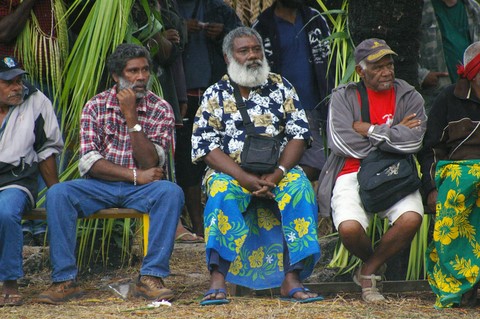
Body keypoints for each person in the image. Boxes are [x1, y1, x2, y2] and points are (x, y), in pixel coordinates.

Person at [34, 44, 184, 304]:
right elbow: (90, 163)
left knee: (171, 192)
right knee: (59, 193)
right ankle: (64, 280)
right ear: (117, 76)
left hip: (143, 190)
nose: (140, 77)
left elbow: (150, 160)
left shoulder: (161, 108)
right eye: (133, 71)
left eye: (145, 70)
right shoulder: (95, 106)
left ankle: (151, 278)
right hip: (100, 187)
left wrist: (131, 117)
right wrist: (135, 176)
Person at [192, 27, 322, 306]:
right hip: (230, 173)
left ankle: (292, 278)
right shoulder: (215, 94)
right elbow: (205, 146)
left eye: (256, 49)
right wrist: (243, 178)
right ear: (228, 57)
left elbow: (300, 135)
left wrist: (278, 174)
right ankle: (217, 279)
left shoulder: (281, 86)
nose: (252, 55)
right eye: (244, 51)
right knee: (221, 192)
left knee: (300, 188)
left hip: (278, 171)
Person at [317, 38, 427, 302]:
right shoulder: (343, 97)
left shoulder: (409, 94)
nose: (387, 71)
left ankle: (367, 272)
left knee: (412, 218)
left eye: (389, 65)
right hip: (350, 171)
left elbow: (414, 140)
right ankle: (374, 262)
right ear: (360, 71)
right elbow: (342, 143)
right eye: (378, 67)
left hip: (394, 172)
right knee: (349, 229)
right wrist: (394, 133)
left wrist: (368, 129)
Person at [418, 41, 480, 308]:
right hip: (458, 172)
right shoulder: (448, 99)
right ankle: (460, 281)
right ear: (474, 75)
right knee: (458, 197)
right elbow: (430, 148)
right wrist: (431, 188)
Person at [0, 0, 67, 246]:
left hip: (47, 78)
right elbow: (4, 32)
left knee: (44, 148)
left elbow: (46, 151)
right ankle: (24, 225)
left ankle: (40, 226)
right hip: (11, 76)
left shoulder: (37, 98)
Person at [176, 0, 242, 238]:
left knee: (223, 154)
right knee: (187, 160)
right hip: (184, 96)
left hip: (219, 94)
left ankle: (227, 223)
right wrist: (181, 28)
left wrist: (222, 33)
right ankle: (197, 224)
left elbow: (242, 40)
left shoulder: (220, 9)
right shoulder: (168, 7)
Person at [0, 56, 63, 307]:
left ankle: (10, 280)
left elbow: (46, 150)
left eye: (19, 80)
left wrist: (57, 194)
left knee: (5, 212)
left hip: (17, 178)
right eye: (9, 82)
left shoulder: (36, 101)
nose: (18, 87)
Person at [253, 0, 335, 181]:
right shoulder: (262, 26)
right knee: (285, 162)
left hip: (317, 107)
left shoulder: (315, 18)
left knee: (321, 163)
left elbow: (333, 59)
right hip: (280, 113)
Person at [419, 0, 480, 113]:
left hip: (473, 94)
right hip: (436, 95)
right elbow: (400, 51)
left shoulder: (473, 8)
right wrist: (422, 75)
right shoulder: (420, 9)